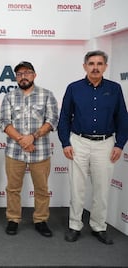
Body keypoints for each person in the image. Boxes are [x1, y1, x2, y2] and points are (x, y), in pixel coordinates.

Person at [58, 50, 128, 245]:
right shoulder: (74, 88)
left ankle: (99, 226)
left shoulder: (114, 89)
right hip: (78, 142)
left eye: (99, 63)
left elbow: (123, 118)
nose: (95, 67)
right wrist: (65, 142)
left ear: (105, 66)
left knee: (102, 188)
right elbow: (64, 118)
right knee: (77, 187)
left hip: (106, 144)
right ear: (84, 66)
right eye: (91, 63)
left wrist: (120, 144)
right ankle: (75, 225)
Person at [0, 61, 59, 237]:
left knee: (41, 188)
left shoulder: (47, 95)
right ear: (16, 77)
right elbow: (4, 122)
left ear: (34, 75)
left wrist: (33, 137)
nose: (23, 76)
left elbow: (52, 120)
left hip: (40, 151)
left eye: (27, 73)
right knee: (13, 188)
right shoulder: (9, 96)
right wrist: (22, 140)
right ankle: (13, 219)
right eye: (19, 74)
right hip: (14, 151)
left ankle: (40, 220)